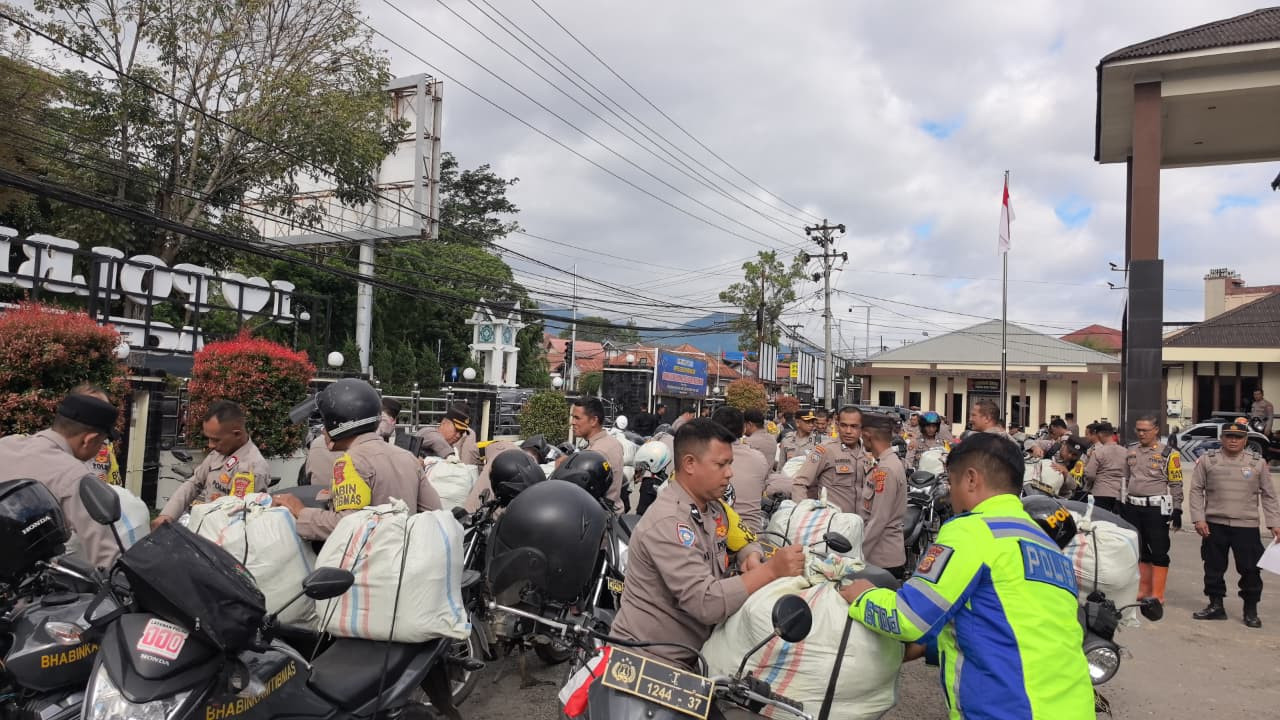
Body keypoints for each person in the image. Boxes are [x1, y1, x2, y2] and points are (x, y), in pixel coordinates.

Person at [840, 433, 1095, 719]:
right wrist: (933, 645)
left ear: (971, 479)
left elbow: (907, 619)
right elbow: (1015, 626)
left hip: (1011, 710)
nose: (951, 493)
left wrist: (863, 596)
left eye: (951, 481)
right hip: (1075, 706)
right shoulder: (1044, 542)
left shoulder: (972, 530)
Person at [609, 419, 806, 669]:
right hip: (650, 662)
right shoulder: (668, 522)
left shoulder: (714, 508)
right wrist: (771, 570)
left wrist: (750, 556)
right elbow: (706, 603)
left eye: (730, 463)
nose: (729, 473)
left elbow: (744, 541)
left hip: (697, 654)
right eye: (721, 464)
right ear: (690, 464)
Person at [275, 378, 440, 540]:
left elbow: (346, 525)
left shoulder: (350, 462)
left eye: (325, 424)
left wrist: (300, 511)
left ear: (338, 424)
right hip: (402, 558)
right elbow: (434, 512)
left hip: (364, 561)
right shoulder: (407, 457)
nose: (323, 431)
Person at [0, 393, 123, 569]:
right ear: (89, 439)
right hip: (21, 588)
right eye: (102, 442)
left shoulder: (6, 444)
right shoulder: (74, 475)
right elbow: (105, 554)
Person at [1189, 419, 1280, 627]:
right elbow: (1195, 490)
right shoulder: (1207, 460)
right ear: (1221, 438)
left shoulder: (1257, 463)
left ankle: (1250, 610)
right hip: (1214, 524)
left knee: (1250, 570)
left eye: (1238, 437)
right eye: (1228, 436)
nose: (1232, 441)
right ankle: (1215, 606)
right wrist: (1198, 518)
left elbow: (1269, 495)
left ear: (1245, 440)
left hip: (1246, 526)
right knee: (1213, 567)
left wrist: (1274, 523)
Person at [155, 401, 272, 527]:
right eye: (209, 438)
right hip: (205, 527)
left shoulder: (253, 468)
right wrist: (167, 515)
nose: (210, 445)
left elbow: (240, 520)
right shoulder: (220, 452)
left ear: (237, 434)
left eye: (216, 440)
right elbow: (194, 483)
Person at [1123, 414, 1183, 604]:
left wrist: (1178, 509)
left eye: (1145, 430)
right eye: (1138, 430)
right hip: (1133, 506)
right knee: (1140, 550)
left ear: (1156, 430)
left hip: (1156, 509)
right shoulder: (1131, 451)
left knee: (1159, 550)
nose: (1141, 434)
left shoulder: (1168, 453)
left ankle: (1157, 594)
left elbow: (1176, 483)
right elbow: (1125, 479)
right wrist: (1121, 502)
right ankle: (1143, 590)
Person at [791, 406, 868, 513]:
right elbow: (800, 483)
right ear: (837, 425)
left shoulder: (868, 452)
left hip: (861, 524)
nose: (848, 431)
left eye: (854, 426)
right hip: (832, 524)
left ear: (862, 428)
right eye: (843, 425)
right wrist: (804, 514)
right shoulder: (825, 450)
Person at [858, 413, 908, 575]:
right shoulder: (888, 463)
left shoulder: (886, 469)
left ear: (867, 435)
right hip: (881, 555)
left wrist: (857, 554)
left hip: (881, 558)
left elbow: (879, 519)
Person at [710, 406, 770, 533]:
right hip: (752, 533)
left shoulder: (704, 457)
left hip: (717, 535)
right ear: (743, 428)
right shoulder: (758, 458)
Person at [572, 397, 625, 514]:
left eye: (577, 418)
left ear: (593, 421)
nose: (573, 422)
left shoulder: (596, 453)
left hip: (600, 518)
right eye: (572, 417)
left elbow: (582, 493)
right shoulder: (612, 442)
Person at [1083, 422, 1126, 512]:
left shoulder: (1098, 452)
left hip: (1100, 492)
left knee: (1101, 522)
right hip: (1120, 494)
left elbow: (1090, 474)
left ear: (1100, 434)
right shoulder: (1125, 451)